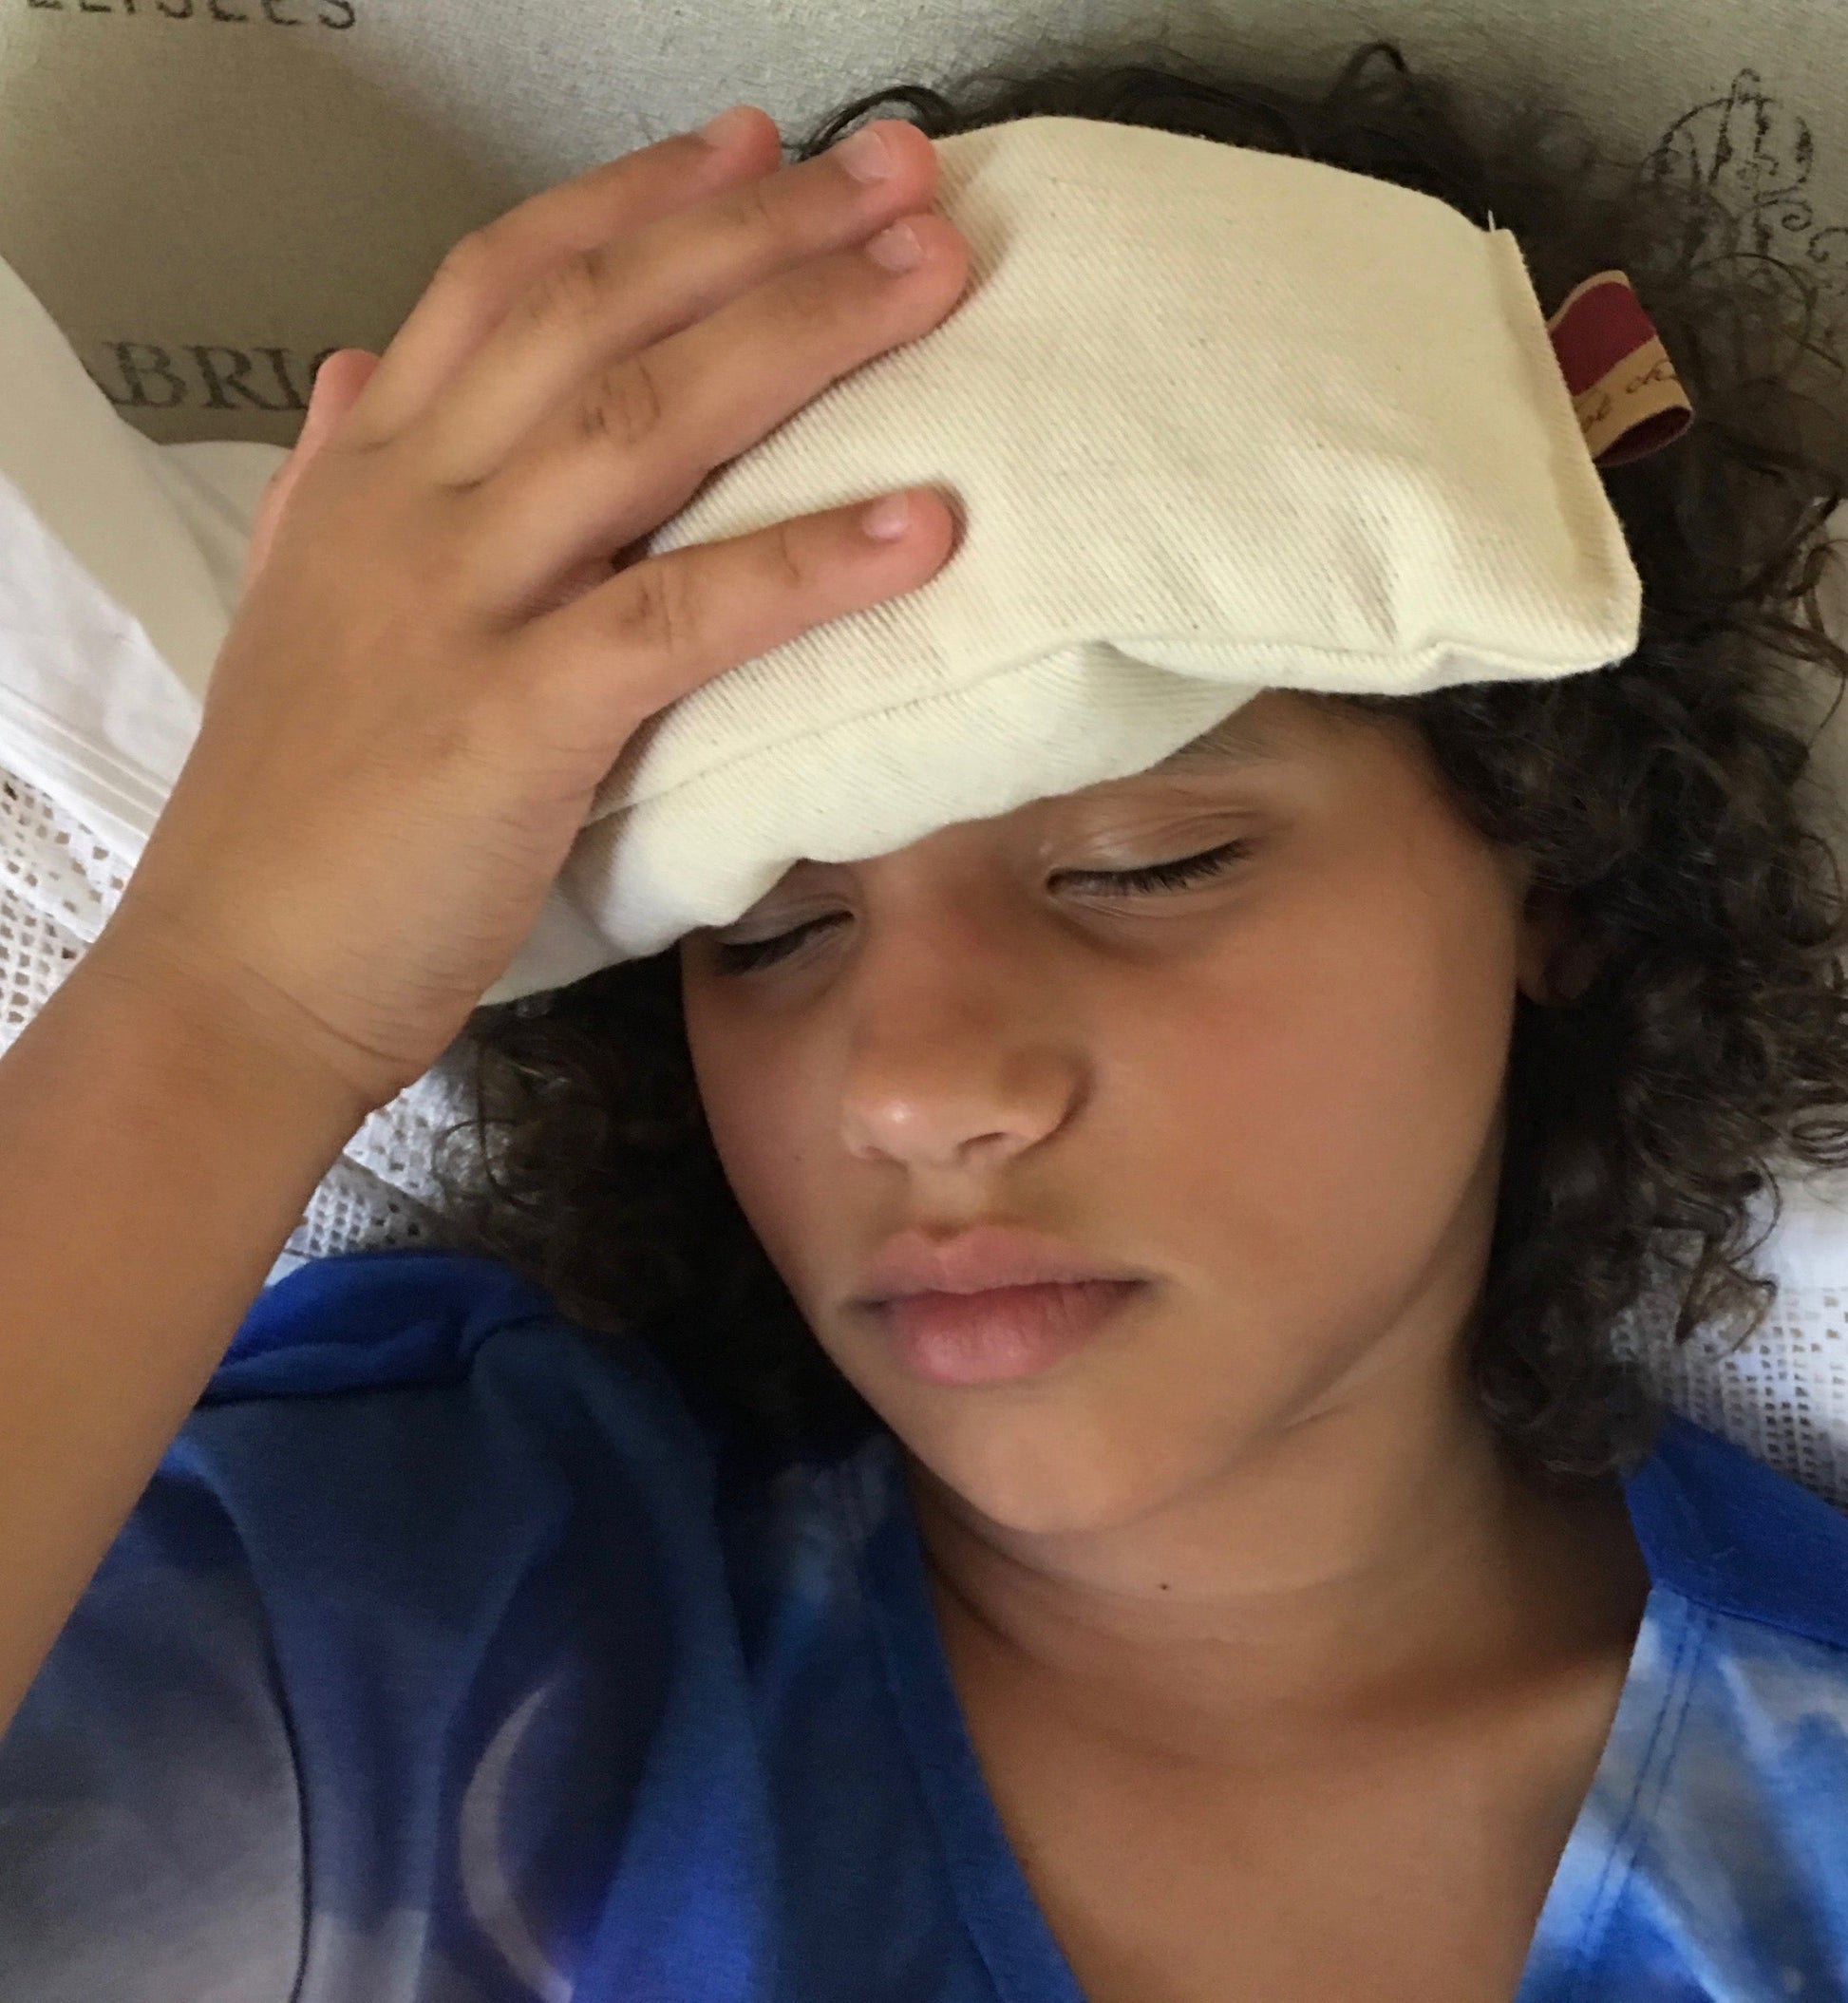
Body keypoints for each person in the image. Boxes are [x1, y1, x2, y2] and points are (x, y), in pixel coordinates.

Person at [3, 34, 1848, 2003]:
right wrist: (237, 990)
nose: (912, 1086)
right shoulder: (401, 1631)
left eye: (1141, 866)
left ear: (1553, 868)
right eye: (771, 935)